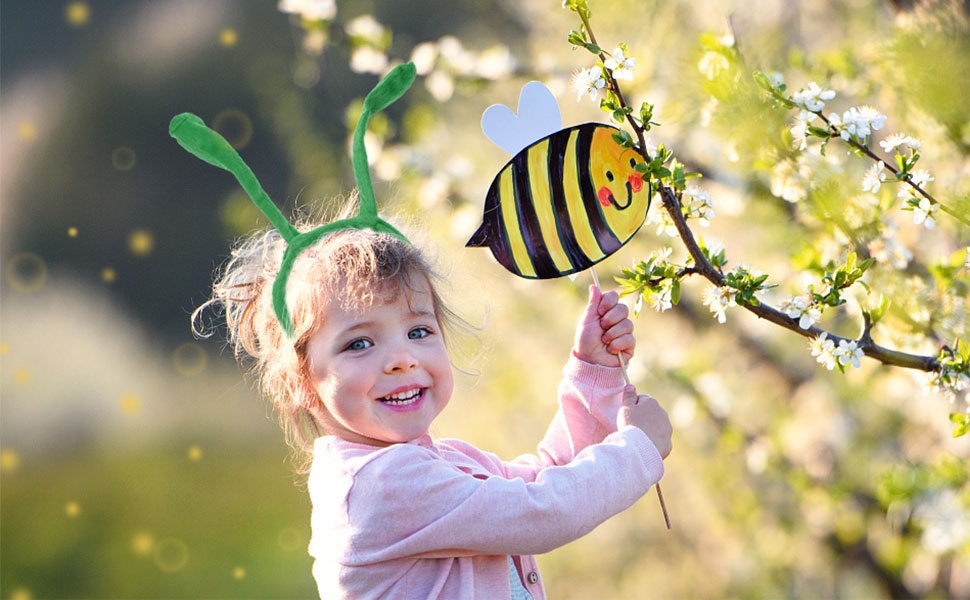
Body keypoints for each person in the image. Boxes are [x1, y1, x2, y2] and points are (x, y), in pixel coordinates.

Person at [197, 204, 672, 599]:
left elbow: (541, 477)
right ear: (299, 380)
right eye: (359, 344)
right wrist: (636, 452)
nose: (402, 359)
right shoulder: (382, 486)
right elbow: (542, 510)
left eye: (419, 331)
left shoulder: (431, 466)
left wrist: (593, 373)